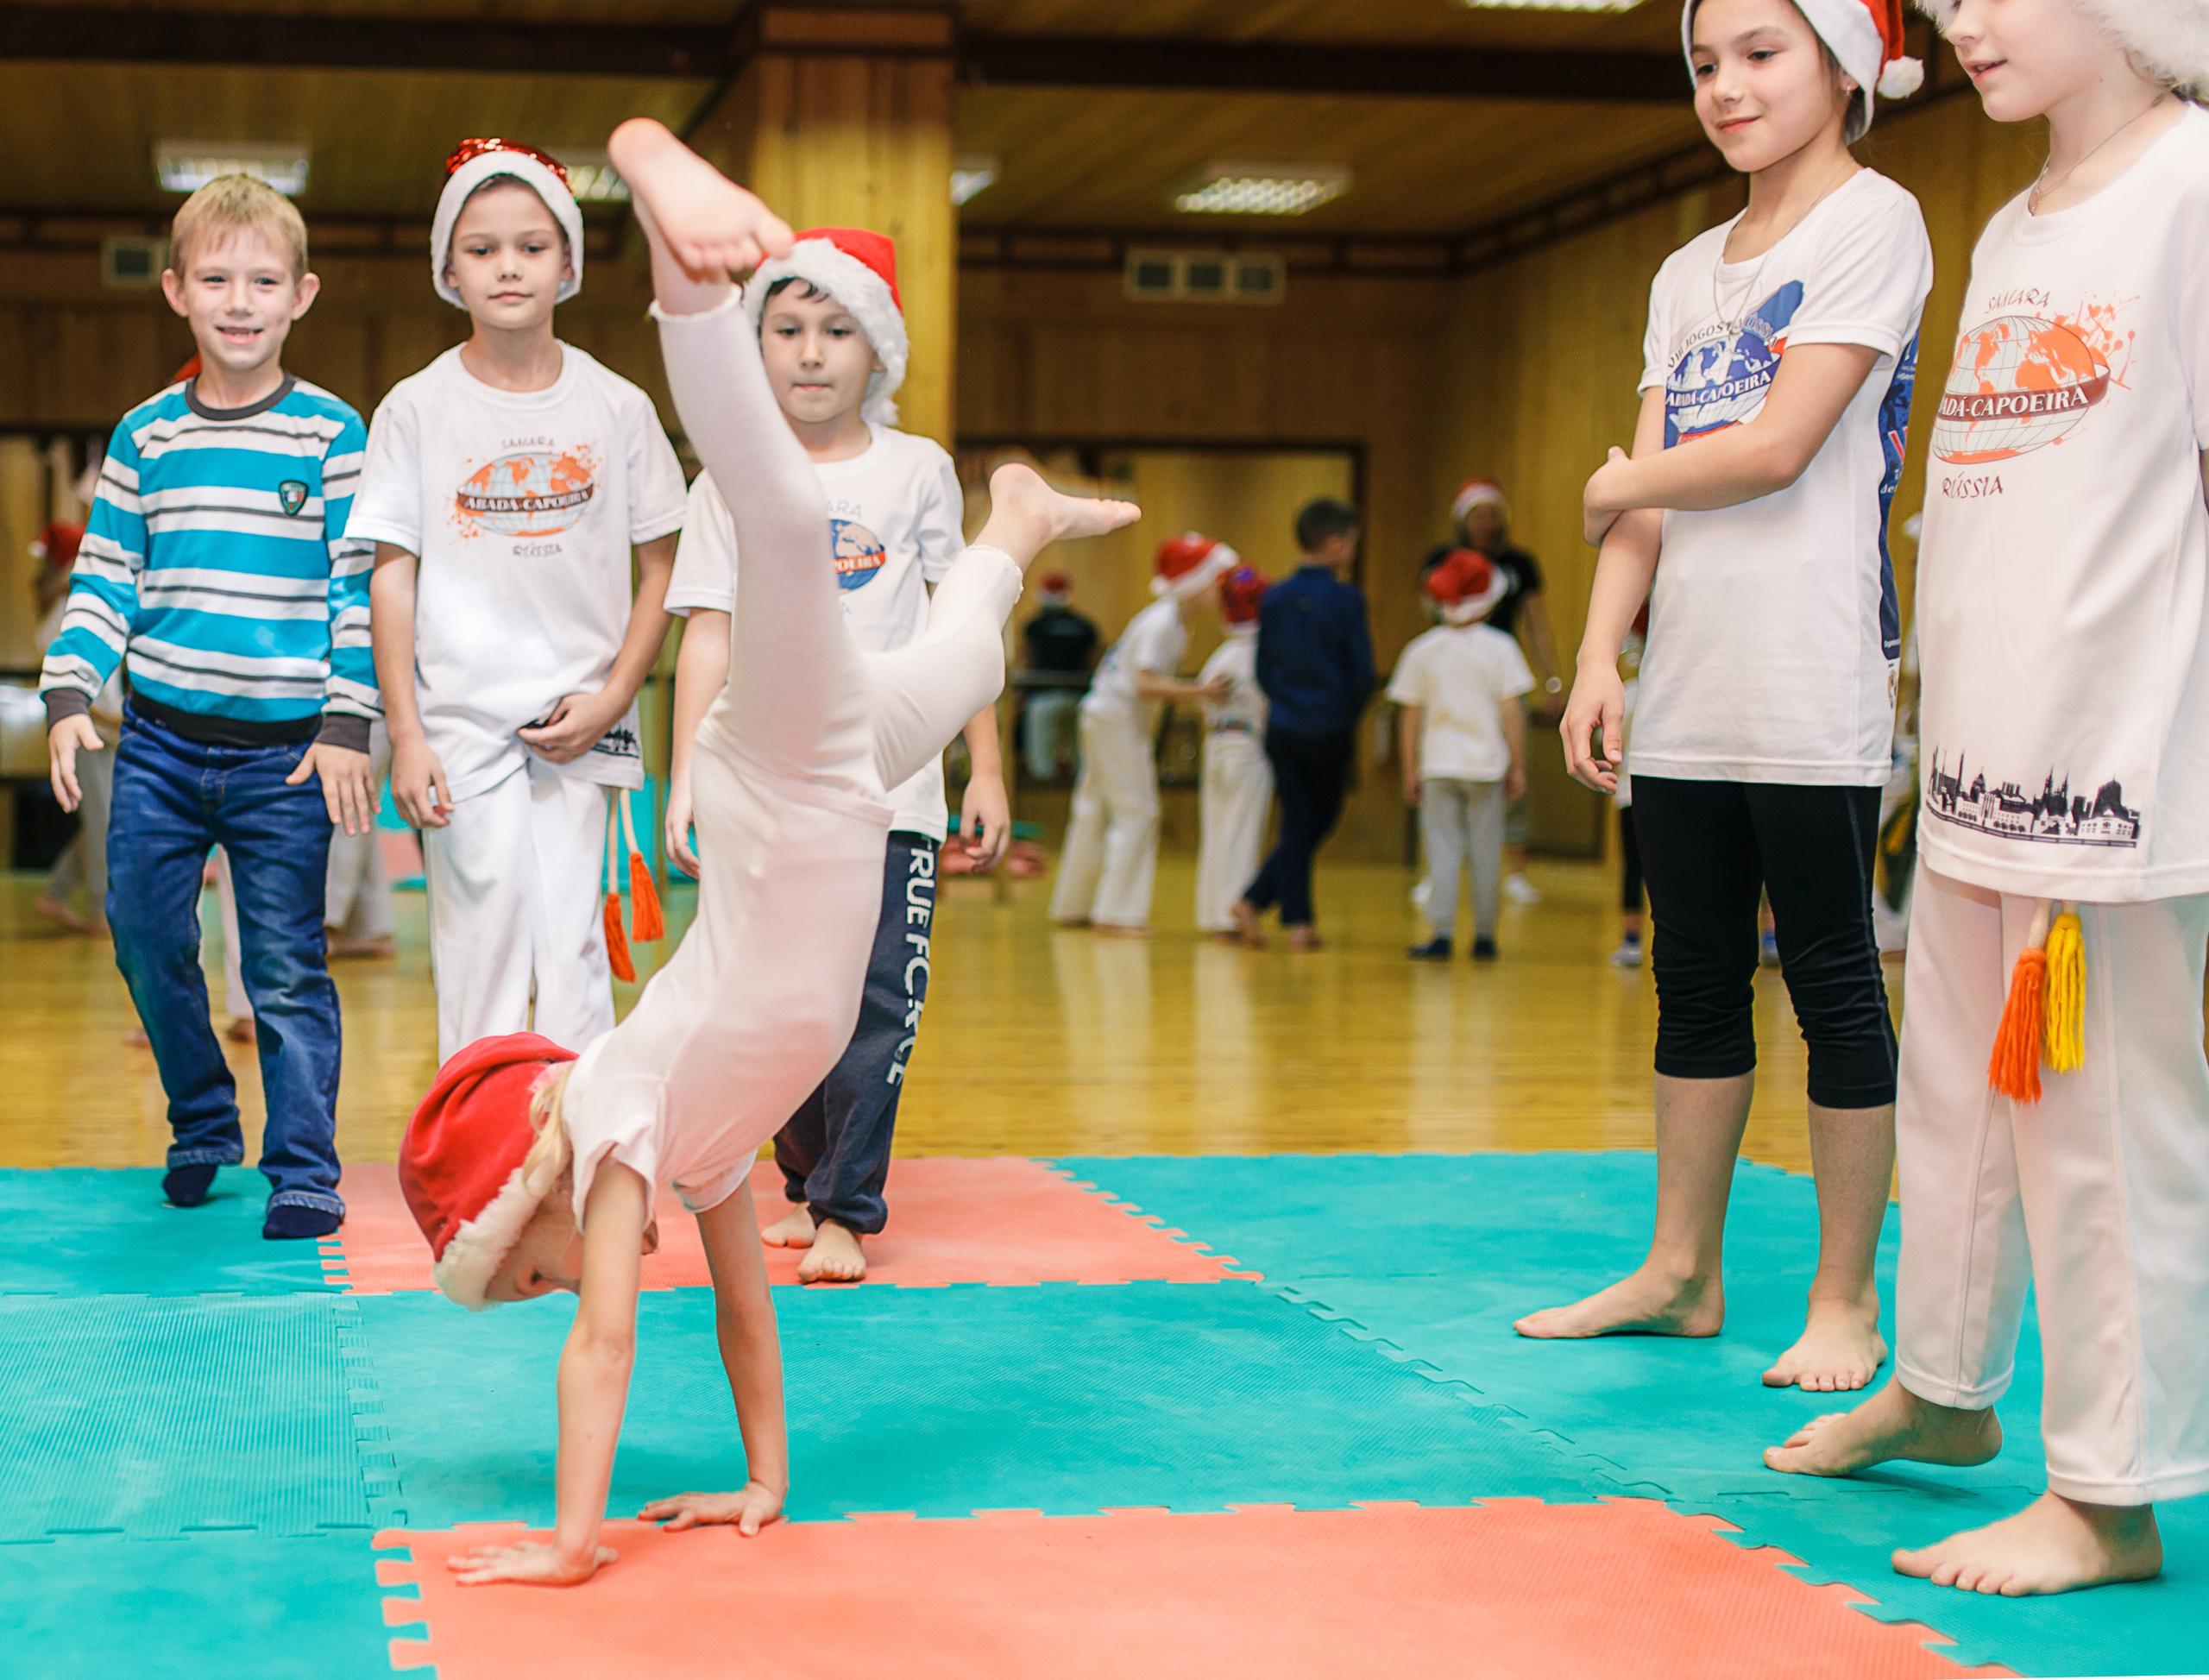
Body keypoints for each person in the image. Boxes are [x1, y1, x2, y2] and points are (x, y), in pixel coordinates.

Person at [399, 119, 1138, 1588]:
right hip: (843, 792)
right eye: (546, 1284)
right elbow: (745, 1307)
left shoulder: (613, 1118)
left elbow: (610, 1343)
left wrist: (569, 1542)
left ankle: (670, 234)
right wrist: (764, 1474)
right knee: (958, 666)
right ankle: (1017, 523)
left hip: (780, 780)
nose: (566, 1283)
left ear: (524, 1186)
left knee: (784, 520)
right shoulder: (706, 1146)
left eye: (531, 1264)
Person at [1765, 0, 2209, 1598]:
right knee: (1959, 1094)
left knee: (2098, 1125)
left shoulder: (2195, 189)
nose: (1961, 20)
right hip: (1973, 755)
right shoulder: (2018, 220)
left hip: (2115, 762)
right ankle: (1947, 1389)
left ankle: (2113, 1491)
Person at [1523, 0, 1931, 1395]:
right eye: (1705, 62)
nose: (1727, 85)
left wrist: (1611, 480)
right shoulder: (1687, 267)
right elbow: (1644, 502)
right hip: (1688, 681)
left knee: (1829, 979)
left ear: (1844, 65)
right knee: (1692, 979)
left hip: (1814, 671)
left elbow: (1773, 448)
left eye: (1762, 53)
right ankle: (1681, 1268)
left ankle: (1844, 1299)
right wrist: (1597, 657)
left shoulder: (1876, 223)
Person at [659, 223, 1004, 1285]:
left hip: (889, 791)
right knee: (780, 1002)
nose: (811, 352)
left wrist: (984, 768)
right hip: (765, 789)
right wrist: (684, 779)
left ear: (880, 349)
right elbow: (706, 628)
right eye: (788, 328)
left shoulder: (917, 472)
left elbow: (964, 628)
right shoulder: (728, 480)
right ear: (755, 345)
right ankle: (805, 1182)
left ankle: (848, 1209)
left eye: (838, 329)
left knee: (875, 1002)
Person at [41, 173, 375, 1239]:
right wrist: (67, 692)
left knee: (283, 966)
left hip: (286, 757)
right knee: (141, 931)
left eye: (264, 280)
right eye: (217, 279)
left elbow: (356, 592)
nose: (241, 300)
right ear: (177, 290)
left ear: (302, 295)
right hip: (160, 747)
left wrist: (345, 723)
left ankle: (304, 1165)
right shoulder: (146, 437)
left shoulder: (331, 435)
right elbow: (103, 579)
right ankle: (201, 1119)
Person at [356, 140, 688, 1064]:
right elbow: (391, 572)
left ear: (570, 263)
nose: (508, 265)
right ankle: (484, 1176)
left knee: (576, 951)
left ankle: (586, 1179)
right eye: (482, 247)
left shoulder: (617, 407)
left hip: (584, 718)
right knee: (480, 955)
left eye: (533, 246)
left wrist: (618, 694)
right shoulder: (415, 410)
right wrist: (409, 731)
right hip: (462, 726)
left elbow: (664, 563)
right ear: (446, 269)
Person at [1050, 535, 1235, 935]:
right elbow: (1144, 685)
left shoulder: (1169, 621)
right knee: (1138, 811)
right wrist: (1200, 692)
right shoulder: (1162, 623)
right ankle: (1116, 912)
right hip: (1117, 719)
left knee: (1093, 809)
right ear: (1195, 583)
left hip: (1105, 715)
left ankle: (1074, 905)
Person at [1231, 499, 1375, 951]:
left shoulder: (1274, 597)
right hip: (1328, 726)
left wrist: (1288, 701)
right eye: (1351, 542)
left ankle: (1255, 901)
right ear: (1334, 543)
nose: (1352, 550)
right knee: (1312, 820)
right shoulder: (1346, 598)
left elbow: (1263, 668)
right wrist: (1345, 712)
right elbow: (1363, 671)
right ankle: (1297, 921)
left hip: (1285, 727)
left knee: (1301, 820)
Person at [1425, 480, 1564, 906]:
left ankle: (1516, 869)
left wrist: (1554, 679)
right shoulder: (1440, 560)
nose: (1486, 523)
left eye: (1492, 514)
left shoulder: (1519, 564)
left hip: (1503, 676)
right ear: (1462, 520)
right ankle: (1439, 871)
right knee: (1442, 774)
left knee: (1510, 768)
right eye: (1477, 514)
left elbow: (1537, 623)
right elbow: (1430, 614)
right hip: (1454, 676)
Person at [1393, 550, 1530, 961]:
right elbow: (1511, 712)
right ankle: (1485, 935)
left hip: (1438, 763)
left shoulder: (1422, 650)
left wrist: (1409, 770)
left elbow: (1410, 717)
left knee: (1441, 849)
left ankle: (1440, 933)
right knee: (1488, 849)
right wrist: (1518, 766)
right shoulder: (1501, 648)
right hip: (1486, 765)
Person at [28, 520, 110, 936]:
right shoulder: (75, 602)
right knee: (100, 820)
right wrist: (95, 714)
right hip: (84, 725)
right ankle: (100, 908)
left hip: (111, 729)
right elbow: (51, 652)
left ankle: (57, 892)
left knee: (109, 817)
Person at [1195, 564, 1274, 939]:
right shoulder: (1264, 655)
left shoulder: (1220, 655)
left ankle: (1213, 915)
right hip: (1248, 747)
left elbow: (1202, 708)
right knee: (1243, 832)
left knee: (1217, 832)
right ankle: (1233, 914)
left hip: (1216, 745)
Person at [324, 721, 396, 960]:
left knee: (344, 804)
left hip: (359, 701)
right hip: (376, 704)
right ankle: (367, 926)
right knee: (357, 809)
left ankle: (322, 923)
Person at [1019, 572, 1100, 782]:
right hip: (1080, 698)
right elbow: (1096, 662)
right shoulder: (1085, 626)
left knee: (1041, 764)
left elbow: (1026, 660)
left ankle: (1046, 804)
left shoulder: (1034, 626)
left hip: (1042, 699)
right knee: (1082, 761)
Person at [1611, 607, 1650, 968]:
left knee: (1633, 868)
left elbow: (1606, 746)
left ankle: (1631, 940)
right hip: (1663, 795)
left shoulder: (1629, 693)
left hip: (1629, 795)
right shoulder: (1670, 694)